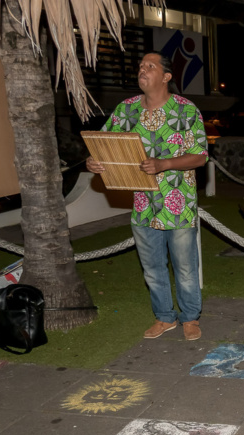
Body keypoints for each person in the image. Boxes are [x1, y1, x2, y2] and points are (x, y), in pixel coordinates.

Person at [86, 52, 208, 341]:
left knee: (186, 268)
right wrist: (93, 160)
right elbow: (104, 144)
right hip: (143, 206)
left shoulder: (185, 110)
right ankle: (165, 317)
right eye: (141, 66)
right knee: (152, 268)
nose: (143, 70)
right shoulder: (126, 110)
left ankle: (190, 317)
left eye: (150, 66)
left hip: (178, 205)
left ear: (165, 77)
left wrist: (165, 164)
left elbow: (201, 156)